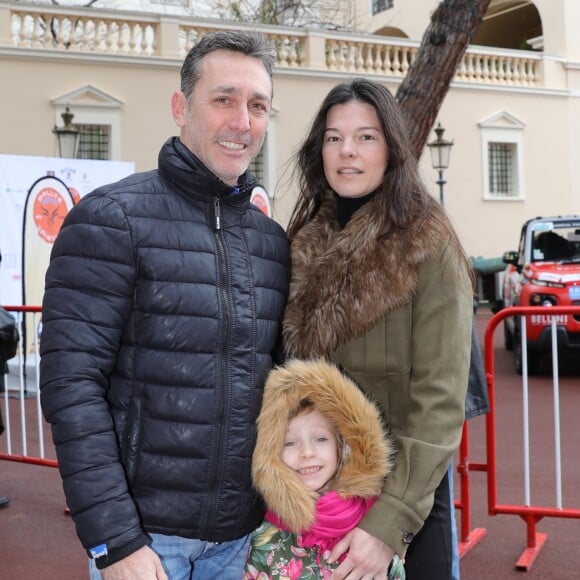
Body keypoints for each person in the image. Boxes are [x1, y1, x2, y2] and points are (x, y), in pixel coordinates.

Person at [39, 30, 290, 580]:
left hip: (240, 540)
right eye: (223, 99)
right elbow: (70, 383)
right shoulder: (112, 219)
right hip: (147, 543)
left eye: (257, 106)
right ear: (181, 107)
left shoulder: (271, 243)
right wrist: (115, 540)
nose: (241, 121)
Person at [282, 78, 474, 579]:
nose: (347, 151)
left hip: (403, 504)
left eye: (365, 136)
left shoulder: (427, 247)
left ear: (392, 148)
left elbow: (439, 406)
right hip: (315, 505)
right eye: (333, 137)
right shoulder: (300, 245)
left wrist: (389, 526)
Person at [244, 358, 404, 580]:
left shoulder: (375, 534)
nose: (307, 452)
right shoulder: (266, 538)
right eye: (289, 443)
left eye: (320, 439)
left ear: (343, 446)